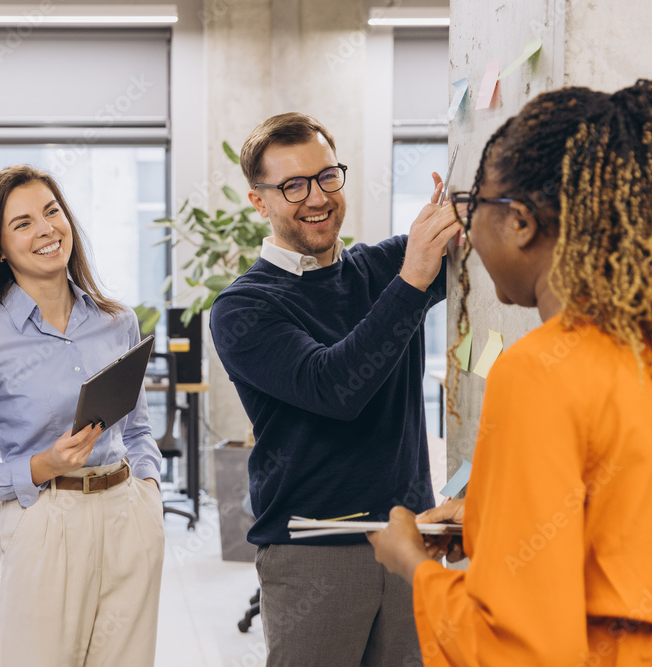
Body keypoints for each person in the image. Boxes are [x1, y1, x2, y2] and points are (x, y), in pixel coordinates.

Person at [368, 80, 652, 665]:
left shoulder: (538, 373)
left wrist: (412, 565)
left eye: (474, 208)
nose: (465, 232)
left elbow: (520, 650)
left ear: (520, 221)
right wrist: (493, 518)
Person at [209, 112, 461, 665]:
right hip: (314, 556)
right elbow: (335, 388)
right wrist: (413, 277)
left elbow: (484, 253)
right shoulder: (243, 307)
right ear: (260, 202)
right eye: (292, 186)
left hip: (411, 539)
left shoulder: (382, 267)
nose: (316, 197)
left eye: (327, 177)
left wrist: (465, 208)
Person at [0, 165, 165, 667]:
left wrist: (148, 489)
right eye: (21, 223)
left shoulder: (116, 322)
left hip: (128, 515)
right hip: (45, 522)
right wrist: (41, 466)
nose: (45, 229)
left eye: (52, 211)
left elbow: (140, 428)